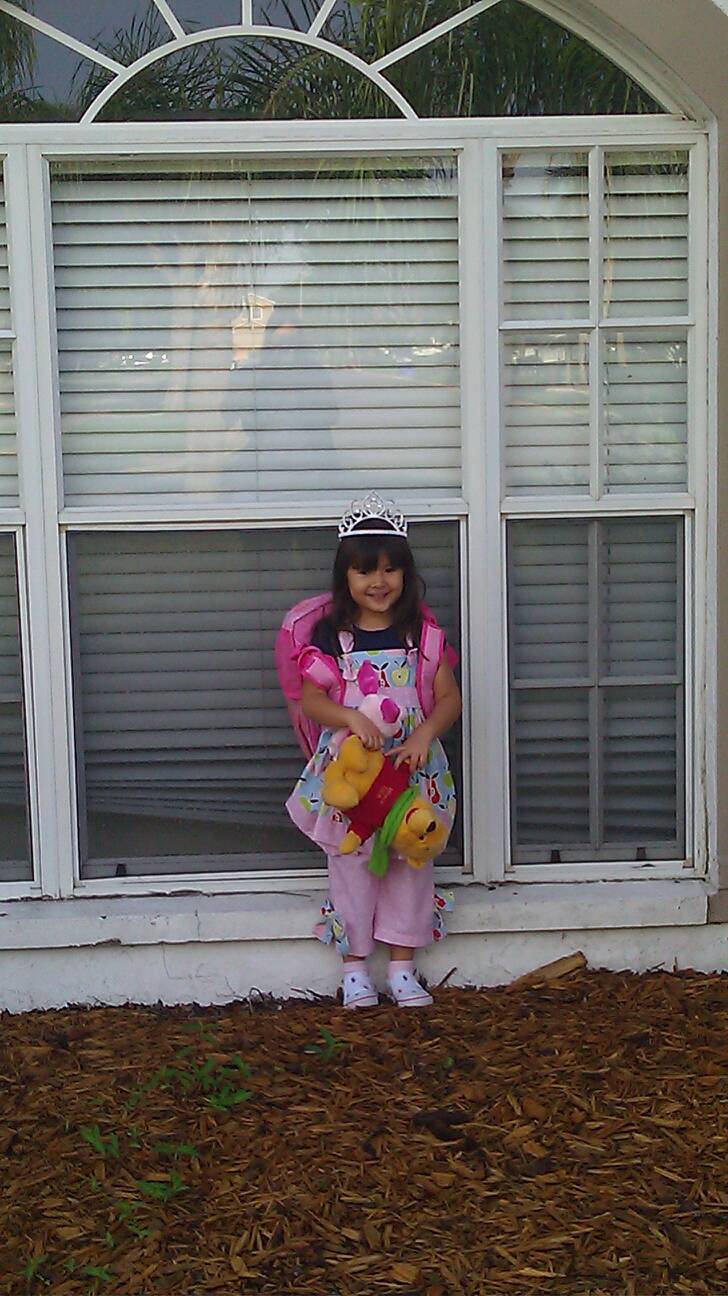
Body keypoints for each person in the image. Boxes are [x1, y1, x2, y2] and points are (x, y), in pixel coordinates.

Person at [285, 492, 461, 1009]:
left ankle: (403, 967)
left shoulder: (421, 637)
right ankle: (356, 968)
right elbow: (312, 700)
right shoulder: (331, 637)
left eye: (390, 569)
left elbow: (449, 698)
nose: (378, 582)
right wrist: (349, 718)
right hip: (353, 774)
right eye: (365, 571)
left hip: (411, 770)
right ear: (346, 577)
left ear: (406, 574)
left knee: (410, 859)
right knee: (352, 863)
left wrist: (424, 734)